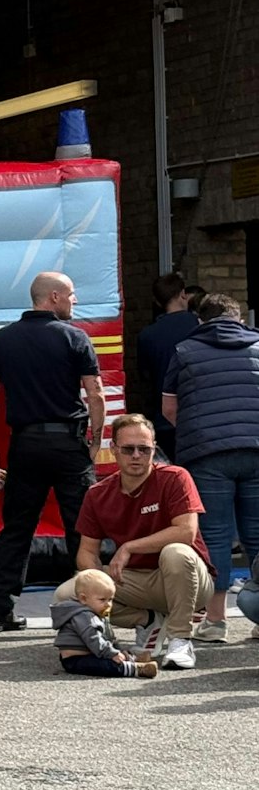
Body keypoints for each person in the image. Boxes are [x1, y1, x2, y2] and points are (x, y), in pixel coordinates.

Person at [0, 271, 104, 632]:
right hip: (68, 442)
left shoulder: (2, 340)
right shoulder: (75, 338)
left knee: (17, 528)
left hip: (26, 443)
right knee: (81, 528)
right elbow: (93, 393)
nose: (74, 301)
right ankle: (90, 612)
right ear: (54, 298)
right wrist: (95, 440)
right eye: (71, 295)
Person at [73, 415, 211, 669]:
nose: (136, 455)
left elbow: (186, 532)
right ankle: (147, 620)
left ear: (154, 448)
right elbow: (86, 552)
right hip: (136, 581)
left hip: (188, 580)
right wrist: (96, 580)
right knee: (71, 590)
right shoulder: (97, 494)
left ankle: (180, 640)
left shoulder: (175, 477)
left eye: (144, 449)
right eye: (128, 449)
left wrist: (129, 547)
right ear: (113, 449)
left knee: (176, 552)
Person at [161, 293, 259, 642]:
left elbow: (169, 410)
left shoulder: (184, 351)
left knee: (215, 534)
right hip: (257, 449)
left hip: (207, 454)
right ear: (239, 320)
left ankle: (215, 622)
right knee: (258, 535)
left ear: (200, 321)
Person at [51, 569, 158, 678]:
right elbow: (94, 639)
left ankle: (131, 659)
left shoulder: (96, 613)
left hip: (92, 652)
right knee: (105, 666)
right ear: (83, 599)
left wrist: (118, 650)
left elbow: (109, 637)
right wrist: (111, 653)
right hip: (75, 659)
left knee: (111, 654)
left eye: (111, 599)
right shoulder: (83, 616)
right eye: (102, 600)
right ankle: (135, 669)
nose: (108, 604)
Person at [136, 272, 199, 453]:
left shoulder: (147, 336)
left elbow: (145, 382)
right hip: (198, 416)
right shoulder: (200, 326)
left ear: (157, 302)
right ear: (183, 294)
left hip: (164, 419)